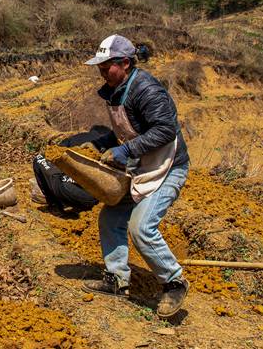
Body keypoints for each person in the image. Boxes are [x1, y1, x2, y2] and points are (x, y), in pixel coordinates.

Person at [80, 34, 190, 319]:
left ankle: (174, 282)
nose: (102, 73)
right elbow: (126, 130)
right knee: (111, 217)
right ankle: (117, 279)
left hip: (168, 167)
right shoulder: (117, 89)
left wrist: (126, 150)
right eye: (100, 68)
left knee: (142, 227)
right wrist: (100, 143)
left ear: (125, 63)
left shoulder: (147, 90)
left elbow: (165, 130)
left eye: (106, 68)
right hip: (142, 166)